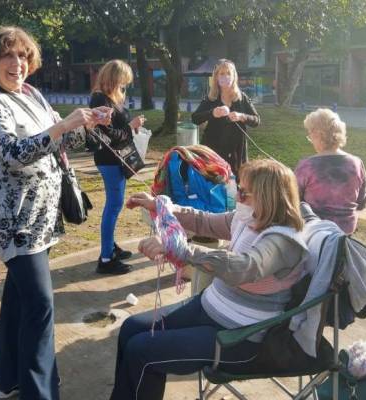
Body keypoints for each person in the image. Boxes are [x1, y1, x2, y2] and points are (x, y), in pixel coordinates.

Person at [0, 26, 112, 400]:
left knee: (20, 297)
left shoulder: (31, 94)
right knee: (40, 306)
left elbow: (58, 140)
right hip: (13, 221)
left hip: (42, 217)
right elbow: (13, 154)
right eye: (7, 56)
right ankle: (40, 391)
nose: (17, 64)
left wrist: (86, 123)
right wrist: (63, 124)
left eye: (23, 56)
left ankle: (6, 379)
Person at [110, 159, 309, 400]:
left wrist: (182, 249)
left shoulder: (284, 241)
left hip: (239, 337)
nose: (237, 197)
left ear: (269, 197)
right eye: (238, 189)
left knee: (141, 351)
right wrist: (162, 206)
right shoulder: (248, 218)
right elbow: (204, 221)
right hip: (209, 309)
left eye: (244, 192)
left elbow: (244, 267)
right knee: (131, 329)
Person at [89, 59, 146, 275]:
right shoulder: (99, 99)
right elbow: (108, 135)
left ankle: (110, 246)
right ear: (113, 78)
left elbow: (118, 128)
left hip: (116, 159)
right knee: (113, 206)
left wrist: (133, 125)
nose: (124, 85)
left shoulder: (111, 97)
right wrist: (131, 127)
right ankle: (106, 258)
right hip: (109, 159)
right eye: (123, 80)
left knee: (115, 205)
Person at [295, 108, 366, 235]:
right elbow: (362, 202)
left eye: (310, 135)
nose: (310, 139)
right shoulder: (356, 163)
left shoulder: (306, 166)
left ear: (317, 135)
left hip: (316, 232)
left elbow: (293, 201)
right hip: (346, 230)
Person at [191, 59, 260, 176]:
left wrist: (242, 116)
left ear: (234, 77)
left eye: (228, 73)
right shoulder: (211, 98)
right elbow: (195, 118)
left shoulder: (241, 98)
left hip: (236, 152)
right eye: (222, 73)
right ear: (216, 77)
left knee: (235, 184)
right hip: (213, 150)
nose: (225, 76)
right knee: (214, 181)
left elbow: (257, 120)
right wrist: (212, 113)